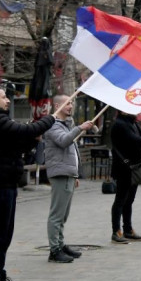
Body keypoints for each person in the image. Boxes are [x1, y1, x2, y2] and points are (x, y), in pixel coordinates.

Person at [0, 84, 57, 281]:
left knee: (6, 232)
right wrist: (48, 120)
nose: (8, 100)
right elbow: (25, 130)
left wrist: (32, 139)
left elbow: (16, 144)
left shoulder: (1, 120)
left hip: (9, 181)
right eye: (3, 97)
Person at [44, 95, 95, 264]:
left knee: (63, 215)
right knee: (57, 214)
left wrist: (74, 174)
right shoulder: (52, 124)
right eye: (67, 103)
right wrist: (80, 127)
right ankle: (54, 250)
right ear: (57, 105)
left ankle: (60, 243)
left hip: (67, 174)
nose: (70, 105)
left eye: (72, 102)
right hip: (60, 174)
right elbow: (64, 141)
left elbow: (72, 152)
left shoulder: (66, 125)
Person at [109, 111, 141, 244]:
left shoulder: (132, 122)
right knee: (121, 200)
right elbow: (135, 140)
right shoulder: (120, 124)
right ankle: (116, 231)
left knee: (129, 200)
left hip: (134, 167)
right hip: (124, 167)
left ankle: (127, 229)